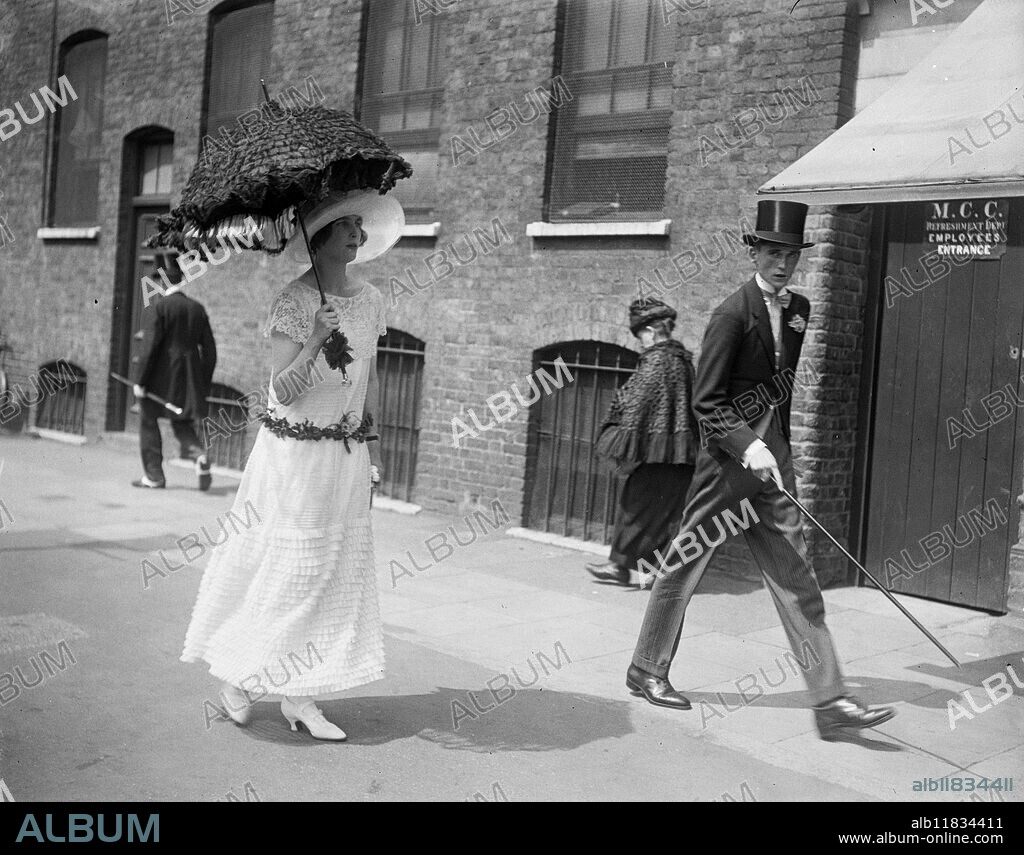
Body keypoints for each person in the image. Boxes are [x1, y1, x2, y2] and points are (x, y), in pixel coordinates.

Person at [627, 200, 895, 741]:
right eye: (773, 252)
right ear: (754, 252)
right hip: (729, 465)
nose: (782, 264)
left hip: (776, 464)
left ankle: (830, 701)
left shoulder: (799, 308)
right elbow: (707, 402)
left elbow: (781, 384)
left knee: (798, 575)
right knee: (684, 565)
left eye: (791, 254)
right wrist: (748, 446)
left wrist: (777, 448)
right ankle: (646, 670)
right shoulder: (732, 313)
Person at [181, 189, 402, 741]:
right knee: (290, 571)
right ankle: (237, 678)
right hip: (295, 457)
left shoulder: (372, 299)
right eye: (346, 227)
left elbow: (365, 379)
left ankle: (299, 696)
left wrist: (369, 446)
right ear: (319, 238)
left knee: (328, 574)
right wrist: (318, 338)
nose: (357, 235)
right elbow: (283, 391)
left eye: (359, 226)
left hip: (344, 454)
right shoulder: (294, 302)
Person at [586, 297, 698, 588]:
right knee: (668, 513)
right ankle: (652, 572)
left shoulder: (656, 360)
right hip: (682, 453)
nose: (640, 343)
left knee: (634, 506)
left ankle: (621, 568)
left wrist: (618, 430)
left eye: (640, 336)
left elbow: (636, 402)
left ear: (650, 331)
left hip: (655, 454)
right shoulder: (684, 361)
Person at [129, 250, 216, 490]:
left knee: (148, 419)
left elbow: (149, 348)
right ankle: (199, 455)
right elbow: (210, 351)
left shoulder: (160, 308)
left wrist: (140, 381)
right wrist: (202, 382)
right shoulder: (197, 308)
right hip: (189, 379)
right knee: (182, 422)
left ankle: (154, 476)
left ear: (162, 282)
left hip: (160, 381)